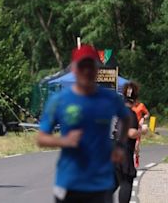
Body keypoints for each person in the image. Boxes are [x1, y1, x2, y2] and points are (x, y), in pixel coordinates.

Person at [37, 45, 131, 203]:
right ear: (74, 68)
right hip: (69, 182)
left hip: (101, 184)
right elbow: (41, 137)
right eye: (82, 66)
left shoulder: (110, 99)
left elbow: (126, 117)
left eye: (91, 66)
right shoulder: (59, 100)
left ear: (97, 69)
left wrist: (120, 146)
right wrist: (64, 141)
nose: (86, 71)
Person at [113, 83, 143, 203]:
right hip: (124, 152)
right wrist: (141, 130)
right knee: (126, 181)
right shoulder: (130, 114)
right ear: (136, 99)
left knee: (113, 181)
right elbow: (130, 133)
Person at [123, 82, 150, 167]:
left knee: (136, 146)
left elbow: (147, 114)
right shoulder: (127, 110)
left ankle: (136, 157)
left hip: (137, 126)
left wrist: (143, 118)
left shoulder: (141, 106)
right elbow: (131, 133)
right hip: (133, 130)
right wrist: (142, 131)